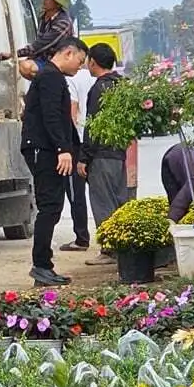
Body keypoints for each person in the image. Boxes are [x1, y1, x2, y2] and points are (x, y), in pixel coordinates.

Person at [20, 37, 89, 286]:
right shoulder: (50, 77)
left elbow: (64, 120)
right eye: (80, 61)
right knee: (49, 207)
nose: (80, 68)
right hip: (43, 150)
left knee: (54, 207)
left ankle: (44, 265)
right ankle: (41, 265)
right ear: (68, 53)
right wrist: (62, 149)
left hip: (49, 149)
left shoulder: (55, 78)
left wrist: (76, 150)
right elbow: (51, 116)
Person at [80, 43, 132, 247]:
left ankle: (109, 249)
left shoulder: (99, 88)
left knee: (102, 203)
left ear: (93, 62)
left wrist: (84, 157)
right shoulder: (123, 85)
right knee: (119, 202)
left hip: (100, 156)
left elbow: (93, 125)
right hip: (119, 154)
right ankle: (123, 246)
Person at [0, 0, 76, 71]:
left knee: (25, 67)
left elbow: (41, 45)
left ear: (57, 4)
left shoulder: (63, 23)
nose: (44, 0)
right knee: (12, 66)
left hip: (57, 64)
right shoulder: (44, 17)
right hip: (45, 60)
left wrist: (12, 55)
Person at [63, 54, 97, 251]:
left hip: (79, 143)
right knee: (102, 193)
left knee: (77, 194)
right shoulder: (96, 79)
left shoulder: (71, 79)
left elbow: (72, 112)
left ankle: (82, 238)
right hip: (99, 144)